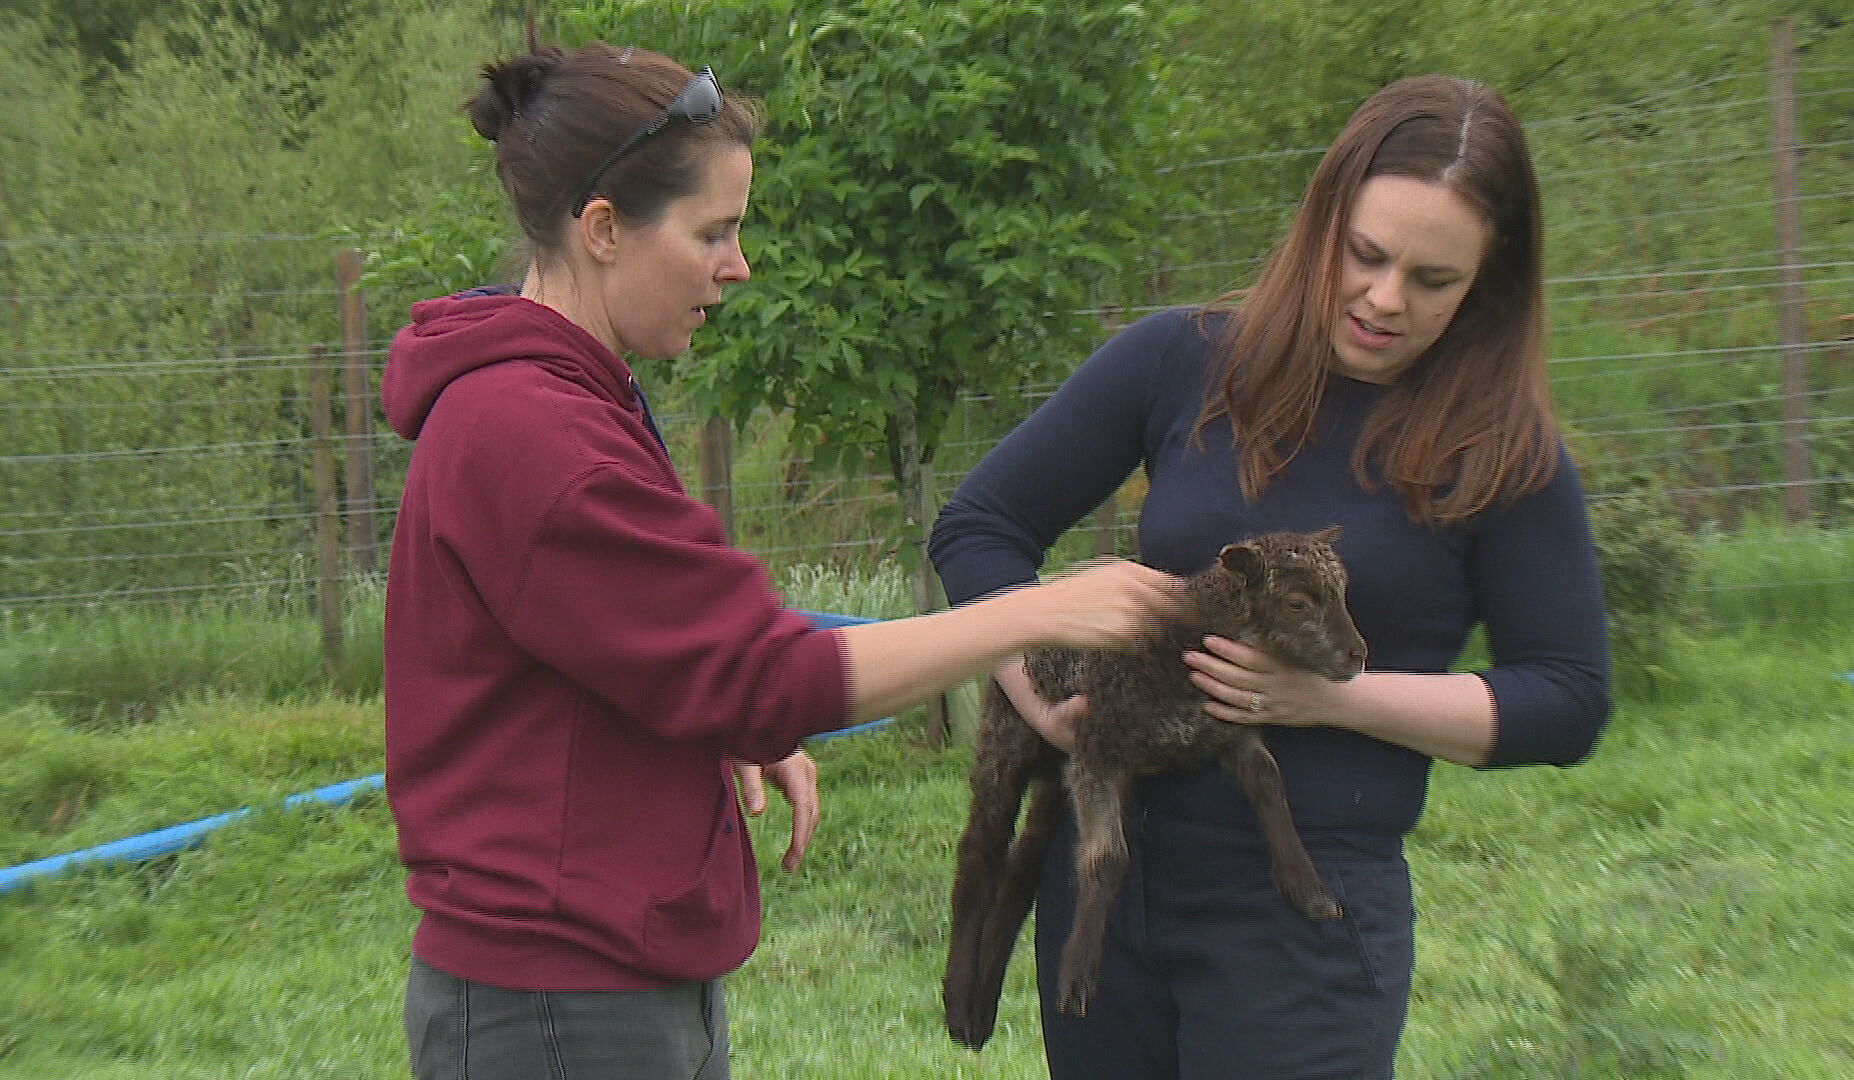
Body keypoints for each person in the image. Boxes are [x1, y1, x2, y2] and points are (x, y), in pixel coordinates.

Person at [380, 43, 1181, 1080]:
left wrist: (708, 720)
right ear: (605, 229)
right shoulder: (535, 434)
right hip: (560, 1005)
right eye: (714, 231)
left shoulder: (570, 394)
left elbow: (636, 648)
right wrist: (1038, 612)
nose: (738, 265)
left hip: (600, 981)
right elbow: (760, 675)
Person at [929, 75, 1612, 1078]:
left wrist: (1331, 698)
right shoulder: (1185, 361)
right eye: (1367, 256)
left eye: (1433, 279)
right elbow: (981, 524)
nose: (1385, 300)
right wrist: (1032, 686)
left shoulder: (1504, 453)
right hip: (1110, 890)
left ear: (1489, 283)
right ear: (1322, 222)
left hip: (1304, 915)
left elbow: (1566, 697)